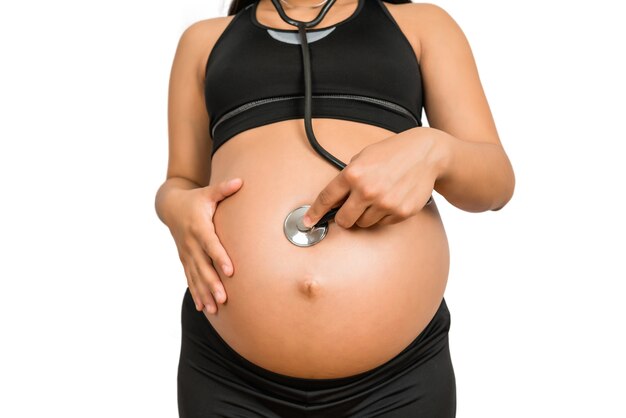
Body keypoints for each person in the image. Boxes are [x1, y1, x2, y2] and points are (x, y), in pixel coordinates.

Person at [154, 0, 515, 416]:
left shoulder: (421, 26)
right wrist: (172, 206)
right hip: (227, 374)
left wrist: (437, 150)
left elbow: (497, 183)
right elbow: (180, 180)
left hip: (399, 380)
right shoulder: (204, 40)